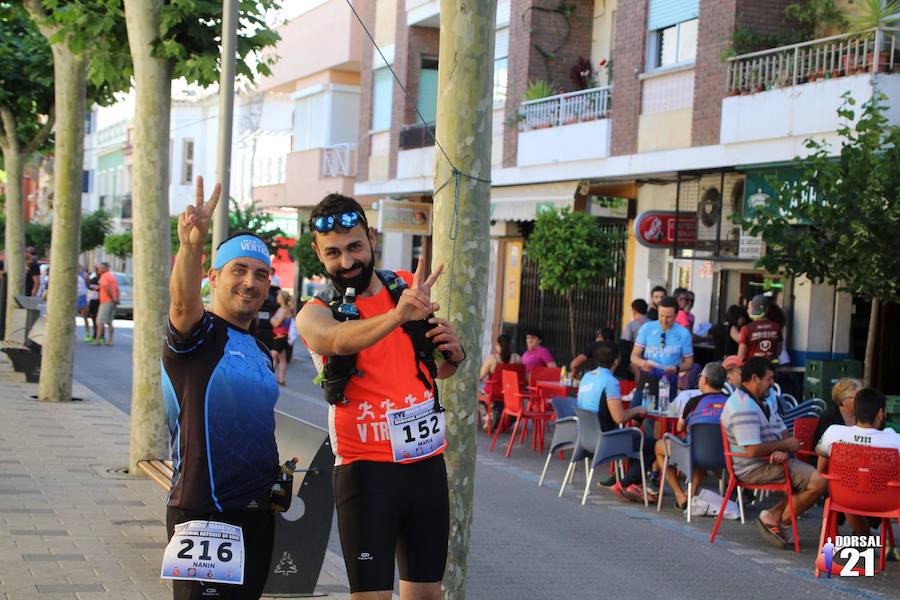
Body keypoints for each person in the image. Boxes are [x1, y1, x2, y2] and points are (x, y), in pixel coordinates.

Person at [296, 193, 465, 599]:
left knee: (426, 594)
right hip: (365, 471)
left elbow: (429, 369)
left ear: (371, 237)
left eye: (355, 246)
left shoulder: (404, 289)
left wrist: (455, 356)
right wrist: (396, 316)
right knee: (372, 596)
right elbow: (336, 339)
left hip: (425, 462)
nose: (347, 261)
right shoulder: (317, 311)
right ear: (319, 255)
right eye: (333, 252)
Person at [162, 177, 280, 600]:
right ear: (213, 277)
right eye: (239, 271)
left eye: (261, 274)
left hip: (258, 515)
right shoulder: (197, 335)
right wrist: (191, 246)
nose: (251, 281)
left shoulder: (261, 349)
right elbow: (181, 303)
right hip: (205, 515)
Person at [721, 357, 827, 548]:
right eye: (769, 378)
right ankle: (783, 520)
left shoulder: (762, 401)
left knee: (810, 478)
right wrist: (784, 445)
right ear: (755, 378)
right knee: (819, 482)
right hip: (752, 467)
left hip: (767, 461)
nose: (772, 383)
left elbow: (781, 429)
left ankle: (774, 515)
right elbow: (753, 450)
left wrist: (782, 448)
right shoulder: (743, 407)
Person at [576, 341, 655, 502]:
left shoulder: (587, 376)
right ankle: (626, 483)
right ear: (617, 360)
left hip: (585, 438)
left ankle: (634, 484)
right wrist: (637, 410)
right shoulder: (610, 381)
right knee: (650, 443)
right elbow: (618, 417)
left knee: (636, 438)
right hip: (605, 440)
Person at [816, 387, 900, 535]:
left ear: (856, 410)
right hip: (885, 502)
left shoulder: (834, 432)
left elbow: (821, 469)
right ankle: (865, 537)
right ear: (881, 413)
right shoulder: (894, 440)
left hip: (844, 497)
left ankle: (863, 537)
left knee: (849, 484)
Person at [654, 362, 728, 509]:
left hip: (695, 453)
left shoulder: (693, 402)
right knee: (702, 447)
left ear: (705, 381)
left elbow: (679, 427)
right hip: (724, 455)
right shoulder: (731, 401)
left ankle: (680, 495)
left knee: (660, 447)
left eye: (700, 376)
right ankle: (690, 496)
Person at [630, 296, 694, 407]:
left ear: (676, 314)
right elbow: (634, 357)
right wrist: (643, 363)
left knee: (661, 419)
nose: (664, 320)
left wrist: (677, 368)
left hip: (669, 381)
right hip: (647, 379)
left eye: (669, 317)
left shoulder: (683, 333)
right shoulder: (647, 328)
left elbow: (689, 362)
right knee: (636, 416)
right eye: (661, 316)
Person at [479, 334, 522, 430]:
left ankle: (488, 416)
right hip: (510, 395)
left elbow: (480, 377)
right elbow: (522, 378)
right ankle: (498, 417)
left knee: (475, 393)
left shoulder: (492, 359)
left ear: (498, 345)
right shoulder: (517, 359)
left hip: (493, 394)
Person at [812, 378, 863, 449]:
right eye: (855, 397)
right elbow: (825, 447)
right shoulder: (829, 417)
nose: (860, 401)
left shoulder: (864, 415)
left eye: (861, 397)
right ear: (842, 399)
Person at [737, 294, 783, 364]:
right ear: (767, 309)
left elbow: (741, 357)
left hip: (752, 369)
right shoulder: (776, 327)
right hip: (769, 369)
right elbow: (779, 351)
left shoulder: (746, 329)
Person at [270, 290, 294, 386]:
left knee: (272, 357)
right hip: (281, 337)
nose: (277, 298)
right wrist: (274, 320)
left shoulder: (284, 310)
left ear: (282, 298)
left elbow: (275, 323)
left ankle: (269, 378)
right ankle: (281, 380)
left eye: (278, 296)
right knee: (282, 359)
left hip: (281, 338)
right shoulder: (283, 309)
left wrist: (272, 319)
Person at [94, 262, 119, 346]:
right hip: (112, 301)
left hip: (106, 300)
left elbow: (105, 287)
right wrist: (116, 298)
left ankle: (97, 340)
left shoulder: (104, 276)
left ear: (105, 268)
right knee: (109, 321)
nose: (99, 270)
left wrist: (111, 297)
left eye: (100, 268)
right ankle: (110, 340)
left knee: (100, 321)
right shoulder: (112, 276)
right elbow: (116, 288)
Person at [87, 265, 101, 342]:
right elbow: (89, 286)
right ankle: (95, 333)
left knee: (99, 319)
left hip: (100, 301)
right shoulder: (94, 279)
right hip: (93, 300)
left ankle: (100, 335)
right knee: (94, 318)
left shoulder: (103, 279)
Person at [76, 267, 90, 338]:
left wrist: (87, 278)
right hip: (74, 297)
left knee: (85, 316)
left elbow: (88, 285)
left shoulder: (84, 275)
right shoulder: (71, 275)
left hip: (82, 296)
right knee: (72, 317)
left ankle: (87, 334)